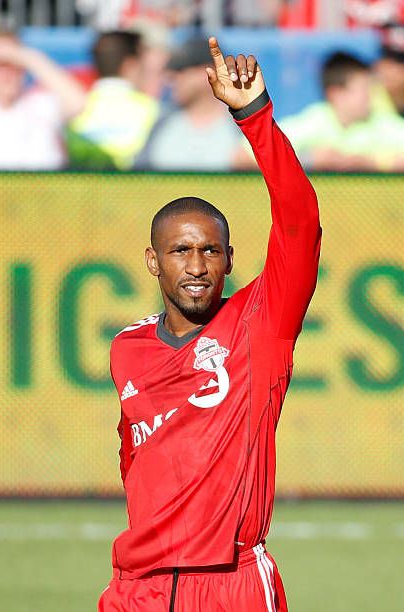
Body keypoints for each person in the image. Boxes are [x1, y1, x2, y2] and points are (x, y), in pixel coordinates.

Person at [99, 37, 321, 612]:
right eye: (179, 251)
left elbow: (300, 224)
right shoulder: (127, 349)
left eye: (210, 252)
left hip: (233, 585)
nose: (196, 267)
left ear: (229, 258)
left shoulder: (260, 324)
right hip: (137, 589)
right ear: (154, 261)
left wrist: (255, 117)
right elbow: (135, 458)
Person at [136, 37, 257, 171]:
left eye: (181, 70)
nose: (171, 78)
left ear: (208, 72)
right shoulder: (161, 124)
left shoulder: (243, 127)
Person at [279, 51, 404, 172]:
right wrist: (310, 160)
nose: (370, 96)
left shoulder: (382, 123)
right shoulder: (312, 122)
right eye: (364, 89)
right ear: (336, 94)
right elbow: (262, 153)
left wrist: (367, 163)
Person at [66, 30, 159, 170]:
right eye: (143, 63)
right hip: (134, 190)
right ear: (130, 65)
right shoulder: (152, 109)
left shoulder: (72, 109)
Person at [0, 29, 85, 170]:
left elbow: (78, 103)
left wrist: (24, 56)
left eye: (14, 64)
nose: (8, 72)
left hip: (44, 190)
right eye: (0, 65)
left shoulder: (41, 105)